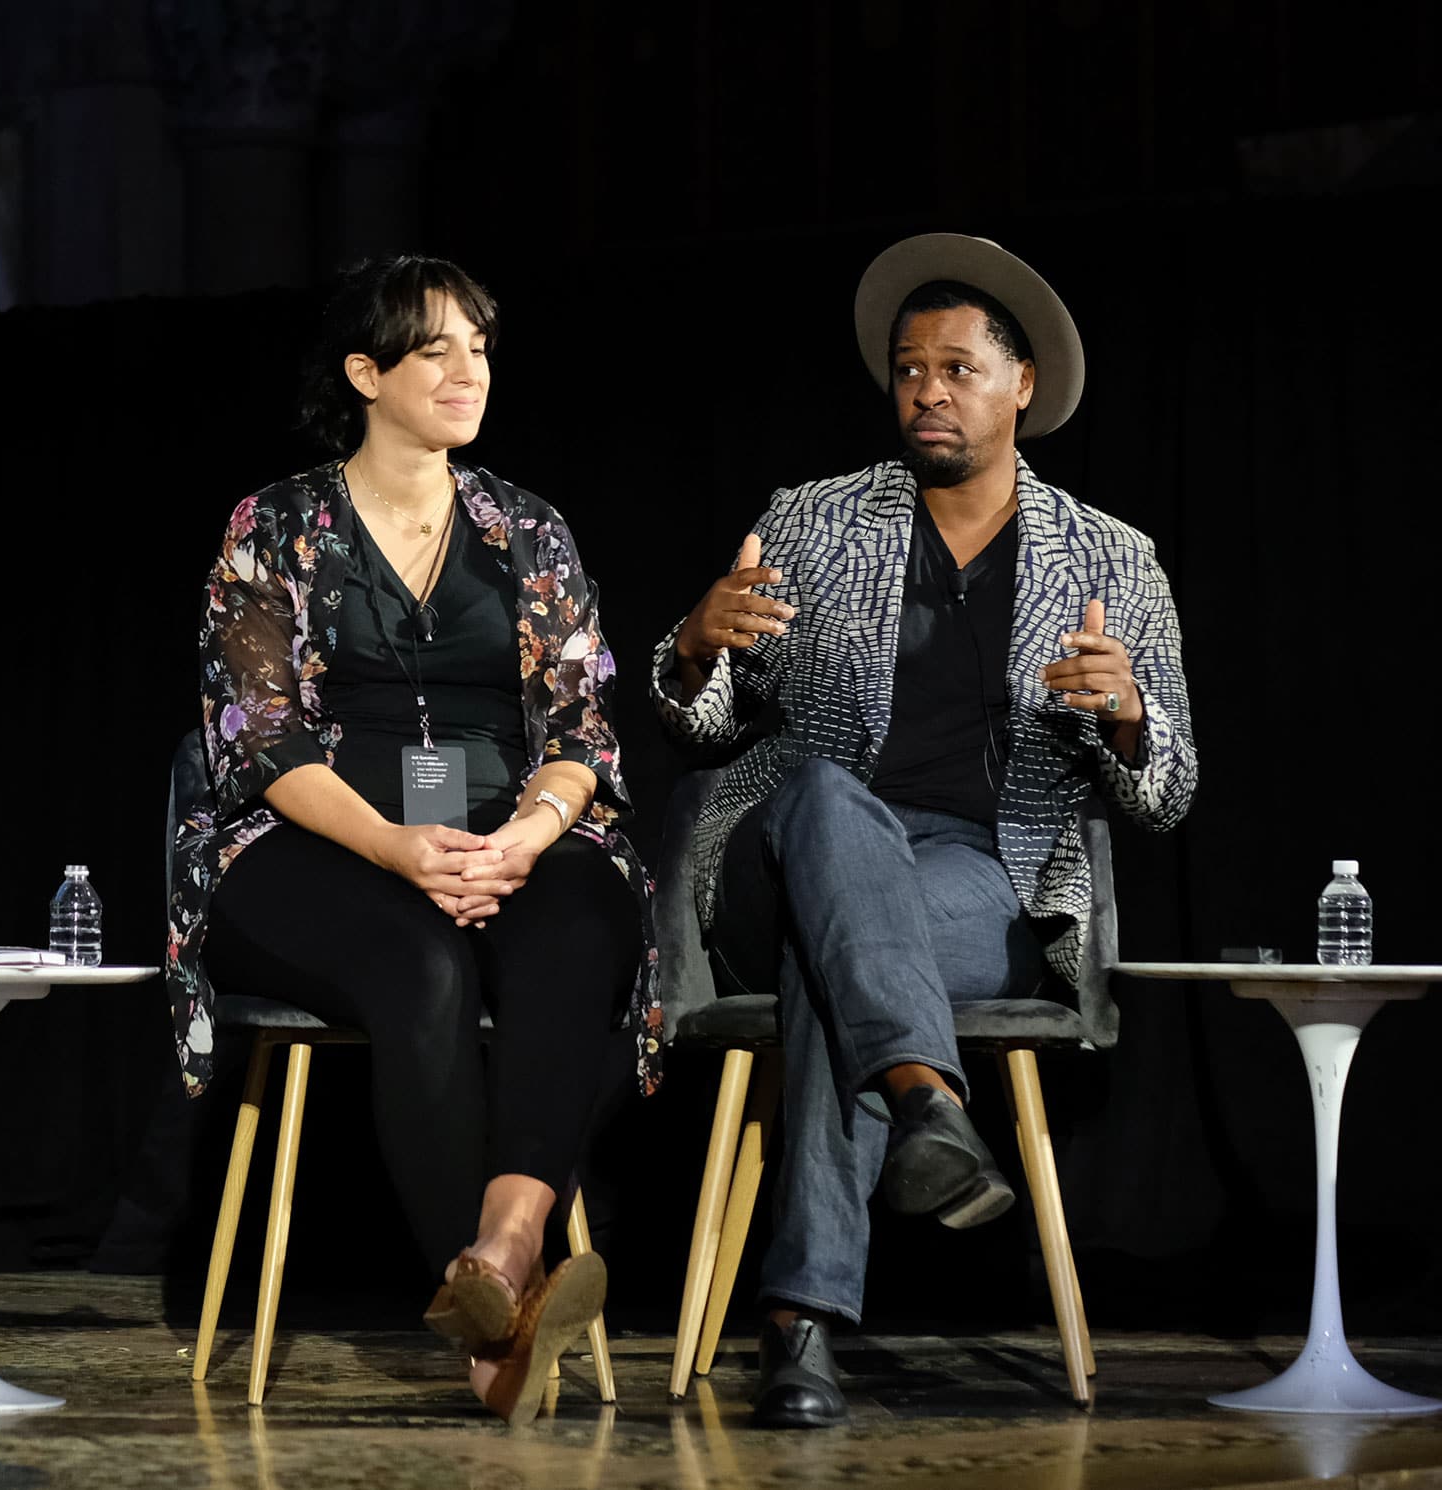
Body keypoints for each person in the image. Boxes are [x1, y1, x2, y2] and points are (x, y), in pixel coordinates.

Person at [651, 234, 1197, 1428]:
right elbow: (703, 724)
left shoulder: (1114, 560)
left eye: (956, 368)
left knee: (839, 960)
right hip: (779, 852)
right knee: (830, 811)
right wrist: (693, 646)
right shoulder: (810, 521)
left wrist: (1131, 718)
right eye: (909, 370)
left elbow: (1167, 795)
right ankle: (926, 1107)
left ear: (1022, 388)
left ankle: (799, 1326)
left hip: (979, 880)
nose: (927, 392)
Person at [164, 256, 660, 1425]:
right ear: (364, 372)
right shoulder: (273, 523)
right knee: (421, 966)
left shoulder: (526, 527)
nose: (465, 369)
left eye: (477, 346)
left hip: (513, 834)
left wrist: (530, 835)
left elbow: (585, 721)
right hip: (316, 843)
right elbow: (262, 738)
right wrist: (396, 847)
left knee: (582, 922)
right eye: (433, 347)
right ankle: (497, 1332)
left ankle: (499, 1249)